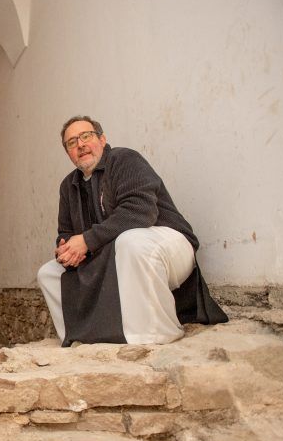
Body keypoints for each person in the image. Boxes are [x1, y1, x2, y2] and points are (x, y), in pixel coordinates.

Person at [37, 115, 227, 346]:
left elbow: (140, 212)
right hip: (110, 258)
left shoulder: (124, 159)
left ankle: (156, 333)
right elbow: (65, 231)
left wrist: (86, 241)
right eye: (72, 142)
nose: (80, 144)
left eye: (86, 136)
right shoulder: (68, 186)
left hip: (165, 247)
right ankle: (83, 338)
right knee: (49, 272)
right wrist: (66, 249)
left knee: (130, 241)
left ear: (102, 139)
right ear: (68, 152)